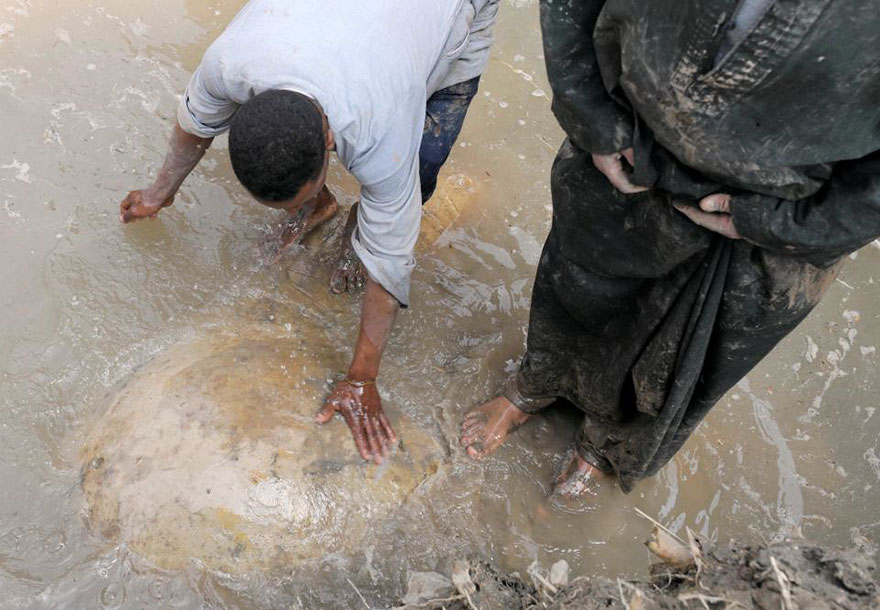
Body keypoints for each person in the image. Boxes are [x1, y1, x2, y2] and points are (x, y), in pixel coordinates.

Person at [461, 0, 880, 497]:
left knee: (684, 361)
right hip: (628, 144)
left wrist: (789, 224)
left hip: (784, 210)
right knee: (577, 283)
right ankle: (538, 381)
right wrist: (589, 112)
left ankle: (602, 448)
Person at [120, 0, 499, 464]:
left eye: (302, 192)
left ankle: (353, 222)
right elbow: (193, 124)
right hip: (347, 32)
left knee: (416, 172)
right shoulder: (229, 64)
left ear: (328, 140)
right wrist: (160, 192)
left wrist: (362, 378)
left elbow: (392, 266)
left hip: (449, 12)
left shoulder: (381, 131)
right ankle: (317, 204)